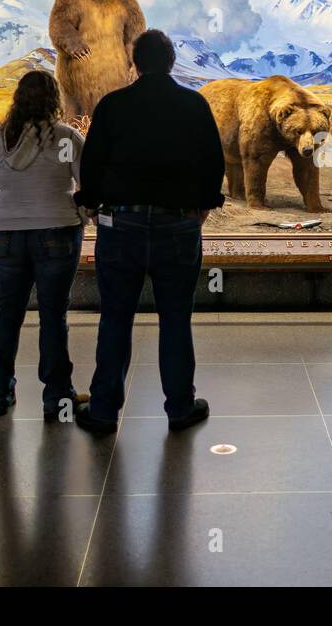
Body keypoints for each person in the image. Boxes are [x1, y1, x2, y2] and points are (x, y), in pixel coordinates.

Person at [73, 29, 225, 434]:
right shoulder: (193, 105)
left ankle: (103, 410)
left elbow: (93, 161)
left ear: (135, 63)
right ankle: (179, 407)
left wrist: (90, 201)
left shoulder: (113, 106)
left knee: (115, 318)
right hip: (178, 226)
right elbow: (213, 161)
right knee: (176, 319)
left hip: (120, 225)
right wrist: (203, 206)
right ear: (172, 62)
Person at [0, 70, 87, 419]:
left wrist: (4, 214)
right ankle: (56, 396)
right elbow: (87, 186)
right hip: (57, 231)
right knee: (54, 315)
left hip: (8, 236)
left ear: (18, 99)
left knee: (8, 312)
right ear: (54, 99)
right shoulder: (68, 137)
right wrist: (79, 215)